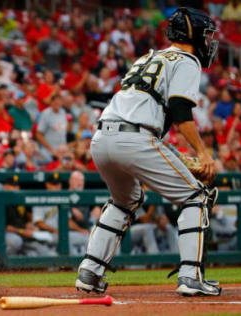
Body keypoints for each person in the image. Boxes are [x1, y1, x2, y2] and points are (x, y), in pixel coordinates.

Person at [75, 8, 221, 297]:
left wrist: (178, 159)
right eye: (206, 35)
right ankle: (191, 276)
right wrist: (203, 153)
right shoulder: (187, 59)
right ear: (192, 35)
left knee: (125, 201)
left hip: (103, 136)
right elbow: (180, 110)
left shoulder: (148, 57)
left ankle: (90, 271)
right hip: (135, 139)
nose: (208, 42)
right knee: (196, 196)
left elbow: (145, 113)